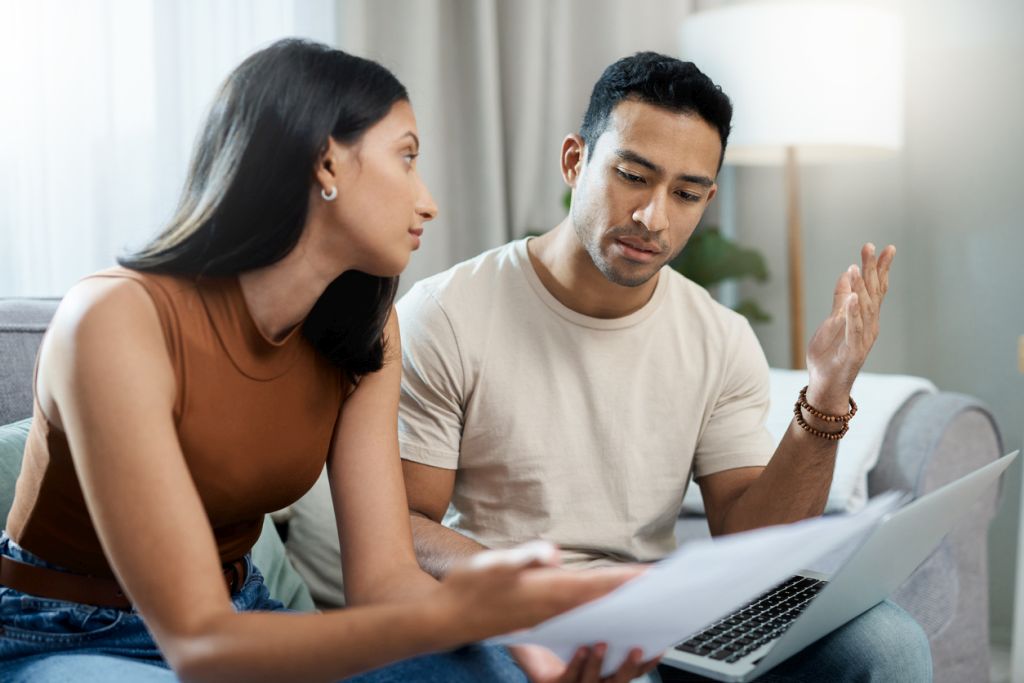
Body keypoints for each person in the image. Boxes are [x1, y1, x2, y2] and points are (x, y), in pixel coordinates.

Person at [0, 39, 649, 683]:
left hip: (248, 614)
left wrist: (519, 637)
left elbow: (386, 582)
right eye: (406, 158)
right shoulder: (114, 319)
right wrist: (460, 614)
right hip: (65, 631)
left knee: (500, 669)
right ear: (327, 162)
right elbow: (200, 645)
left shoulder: (366, 329)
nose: (428, 201)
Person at [396, 52, 932, 681]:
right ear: (575, 161)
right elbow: (404, 525)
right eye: (632, 175)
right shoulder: (448, 313)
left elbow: (752, 540)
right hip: (513, 616)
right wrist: (535, 590)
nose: (654, 217)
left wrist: (830, 388)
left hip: (657, 615)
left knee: (889, 644)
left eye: (686, 193)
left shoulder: (719, 336)